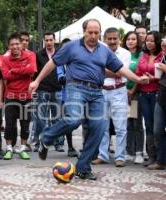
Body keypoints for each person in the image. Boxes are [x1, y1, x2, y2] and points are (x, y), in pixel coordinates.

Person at [29, 19, 148, 180]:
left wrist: (138, 79)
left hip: (97, 92)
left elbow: (121, 69)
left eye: (96, 32)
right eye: (90, 32)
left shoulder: (104, 50)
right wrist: (37, 81)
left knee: (99, 127)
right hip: (76, 88)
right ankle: (47, 137)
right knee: (73, 120)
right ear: (84, 31)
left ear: (100, 32)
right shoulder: (71, 47)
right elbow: (52, 63)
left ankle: (83, 167)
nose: (93, 36)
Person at [91, 27, 131, 167]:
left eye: (115, 38)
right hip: (102, 91)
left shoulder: (125, 53)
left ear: (119, 38)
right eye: (110, 39)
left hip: (119, 91)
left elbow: (121, 73)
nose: (113, 41)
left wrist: (104, 70)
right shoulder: (98, 52)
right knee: (102, 126)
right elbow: (98, 70)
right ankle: (103, 155)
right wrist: (113, 70)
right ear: (104, 39)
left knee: (120, 127)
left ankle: (120, 157)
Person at [2, 32, 37, 160]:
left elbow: (32, 70)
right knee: (10, 124)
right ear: (8, 46)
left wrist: (14, 70)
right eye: (12, 44)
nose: (15, 46)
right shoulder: (5, 59)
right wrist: (23, 70)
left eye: (17, 43)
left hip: (25, 96)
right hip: (11, 95)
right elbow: (6, 75)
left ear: (21, 44)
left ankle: (22, 148)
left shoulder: (30, 55)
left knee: (25, 124)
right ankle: (9, 148)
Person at [33, 32, 66, 153]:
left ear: (54, 40)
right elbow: (36, 73)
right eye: (46, 40)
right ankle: (39, 142)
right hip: (42, 88)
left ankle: (58, 143)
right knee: (40, 117)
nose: (48, 42)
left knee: (57, 117)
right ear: (43, 41)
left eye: (50, 40)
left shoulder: (60, 53)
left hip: (57, 88)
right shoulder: (38, 54)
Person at [135, 31, 163, 166]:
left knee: (158, 126)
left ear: (157, 42)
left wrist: (154, 79)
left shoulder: (162, 56)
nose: (149, 43)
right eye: (147, 40)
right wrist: (134, 89)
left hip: (157, 93)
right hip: (143, 94)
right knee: (148, 125)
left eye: (152, 40)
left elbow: (162, 77)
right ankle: (151, 157)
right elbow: (138, 73)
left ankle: (160, 157)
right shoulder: (143, 55)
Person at [122, 31, 144, 164]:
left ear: (137, 41)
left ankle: (139, 152)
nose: (130, 41)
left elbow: (139, 74)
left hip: (135, 94)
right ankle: (129, 151)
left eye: (133, 39)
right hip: (122, 93)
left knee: (137, 123)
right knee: (128, 123)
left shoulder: (141, 55)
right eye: (128, 39)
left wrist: (132, 91)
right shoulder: (123, 54)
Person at [147, 40, 166, 170]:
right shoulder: (163, 56)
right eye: (163, 45)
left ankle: (161, 161)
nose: (164, 47)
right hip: (162, 95)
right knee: (157, 130)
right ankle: (161, 161)